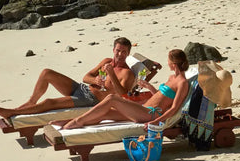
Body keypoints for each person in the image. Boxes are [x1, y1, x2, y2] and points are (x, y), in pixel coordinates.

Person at [0, 37, 139, 119]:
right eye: (118, 51)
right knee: (46, 72)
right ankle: (30, 102)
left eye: (124, 52)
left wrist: (112, 75)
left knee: (49, 102)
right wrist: (95, 80)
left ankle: (13, 112)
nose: (120, 55)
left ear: (128, 53)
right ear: (113, 50)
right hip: (81, 88)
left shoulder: (127, 73)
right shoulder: (106, 61)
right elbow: (86, 77)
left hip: (90, 99)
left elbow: (123, 96)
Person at [59, 48, 190, 129]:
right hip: (145, 108)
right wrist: (150, 87)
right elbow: (161, 96)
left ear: (173, 64)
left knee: (112, 99)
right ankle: (70, 122)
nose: (167, 62)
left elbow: (174, 108)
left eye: (168, 60)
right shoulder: (171, 77)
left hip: (151, 114)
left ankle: (76, 121)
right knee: (106, 113)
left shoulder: (182, 83)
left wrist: (156, 122)